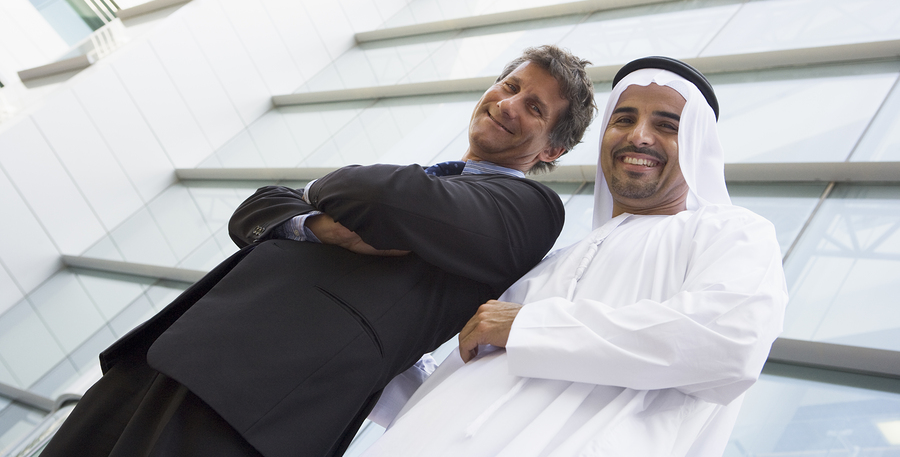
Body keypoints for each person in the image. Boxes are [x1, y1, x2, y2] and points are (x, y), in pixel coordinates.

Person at [41, 45, 597, 457]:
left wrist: (331, 196)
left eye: (534, 107)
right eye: (509, 85)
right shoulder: (435, 186)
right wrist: (315, 226)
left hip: (256, 402)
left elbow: (372, 193)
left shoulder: (529, 208)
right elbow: (258, 207)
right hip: (168, 357)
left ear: (553, 146)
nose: (509, 104)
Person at [360, 56, 789, 457]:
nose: (639, 135)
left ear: (698, 147)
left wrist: (528, 326)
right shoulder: (550, 263)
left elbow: (727, 343)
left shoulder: (732, 232)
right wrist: (371, 354)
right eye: (624, 119)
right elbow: (458, 387)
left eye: (668, 125)